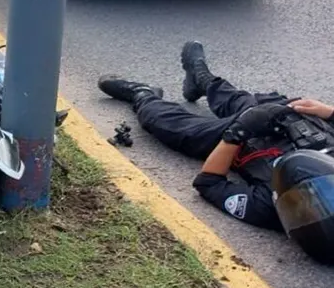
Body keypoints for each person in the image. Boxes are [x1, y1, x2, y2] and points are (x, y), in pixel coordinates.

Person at [97, 41, 334, 262]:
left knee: (169, 126)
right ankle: (201, 78)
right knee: (236, 99)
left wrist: (238, 133)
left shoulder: (267, 210)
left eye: (304, 209)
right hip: (290, 114)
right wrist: (329, 112)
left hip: (244, 139)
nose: (309, 206)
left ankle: (143, 93)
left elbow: (208, 182)